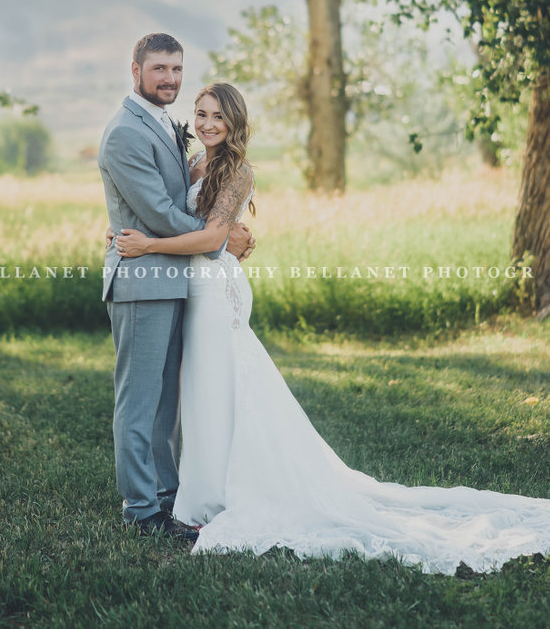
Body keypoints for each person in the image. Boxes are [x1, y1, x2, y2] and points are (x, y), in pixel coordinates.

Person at [115, 82, 550, 575]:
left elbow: (213, 235)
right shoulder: (192, 163)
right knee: (200, 390)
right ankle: (199, 490)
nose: (208, 123)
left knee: (220, 386)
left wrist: (150, 247)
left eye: (219, 116)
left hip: (215, 292)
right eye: (201, 113)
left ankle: (219, 495)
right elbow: (167, 214)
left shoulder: (238, 170)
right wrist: (129, 229)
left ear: (235, 123)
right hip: (189, 288)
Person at [98, 34, 254, 542]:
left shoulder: (163, 122)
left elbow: (157, 201)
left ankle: (168, 497)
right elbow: (161, 212)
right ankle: (142, 510)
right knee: (140, 402)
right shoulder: (126, 131)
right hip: (142, 281)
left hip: (176, 279)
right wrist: (220, 236)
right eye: (159, 68)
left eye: (176, 69)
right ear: (136, 70)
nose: (169, 78)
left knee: (166, 404)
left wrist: (215, 230)